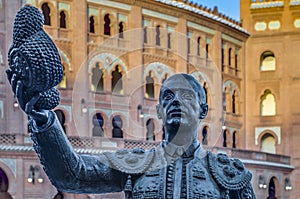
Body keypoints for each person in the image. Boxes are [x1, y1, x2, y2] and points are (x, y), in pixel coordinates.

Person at [7, 5, 256, 199]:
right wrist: (42, 118)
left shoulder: (229, 173)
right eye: (168, 96)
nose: (176, 102)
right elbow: (73, 174)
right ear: (159, 111)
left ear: (203, 110)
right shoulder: (137, 164)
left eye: (187, 96)